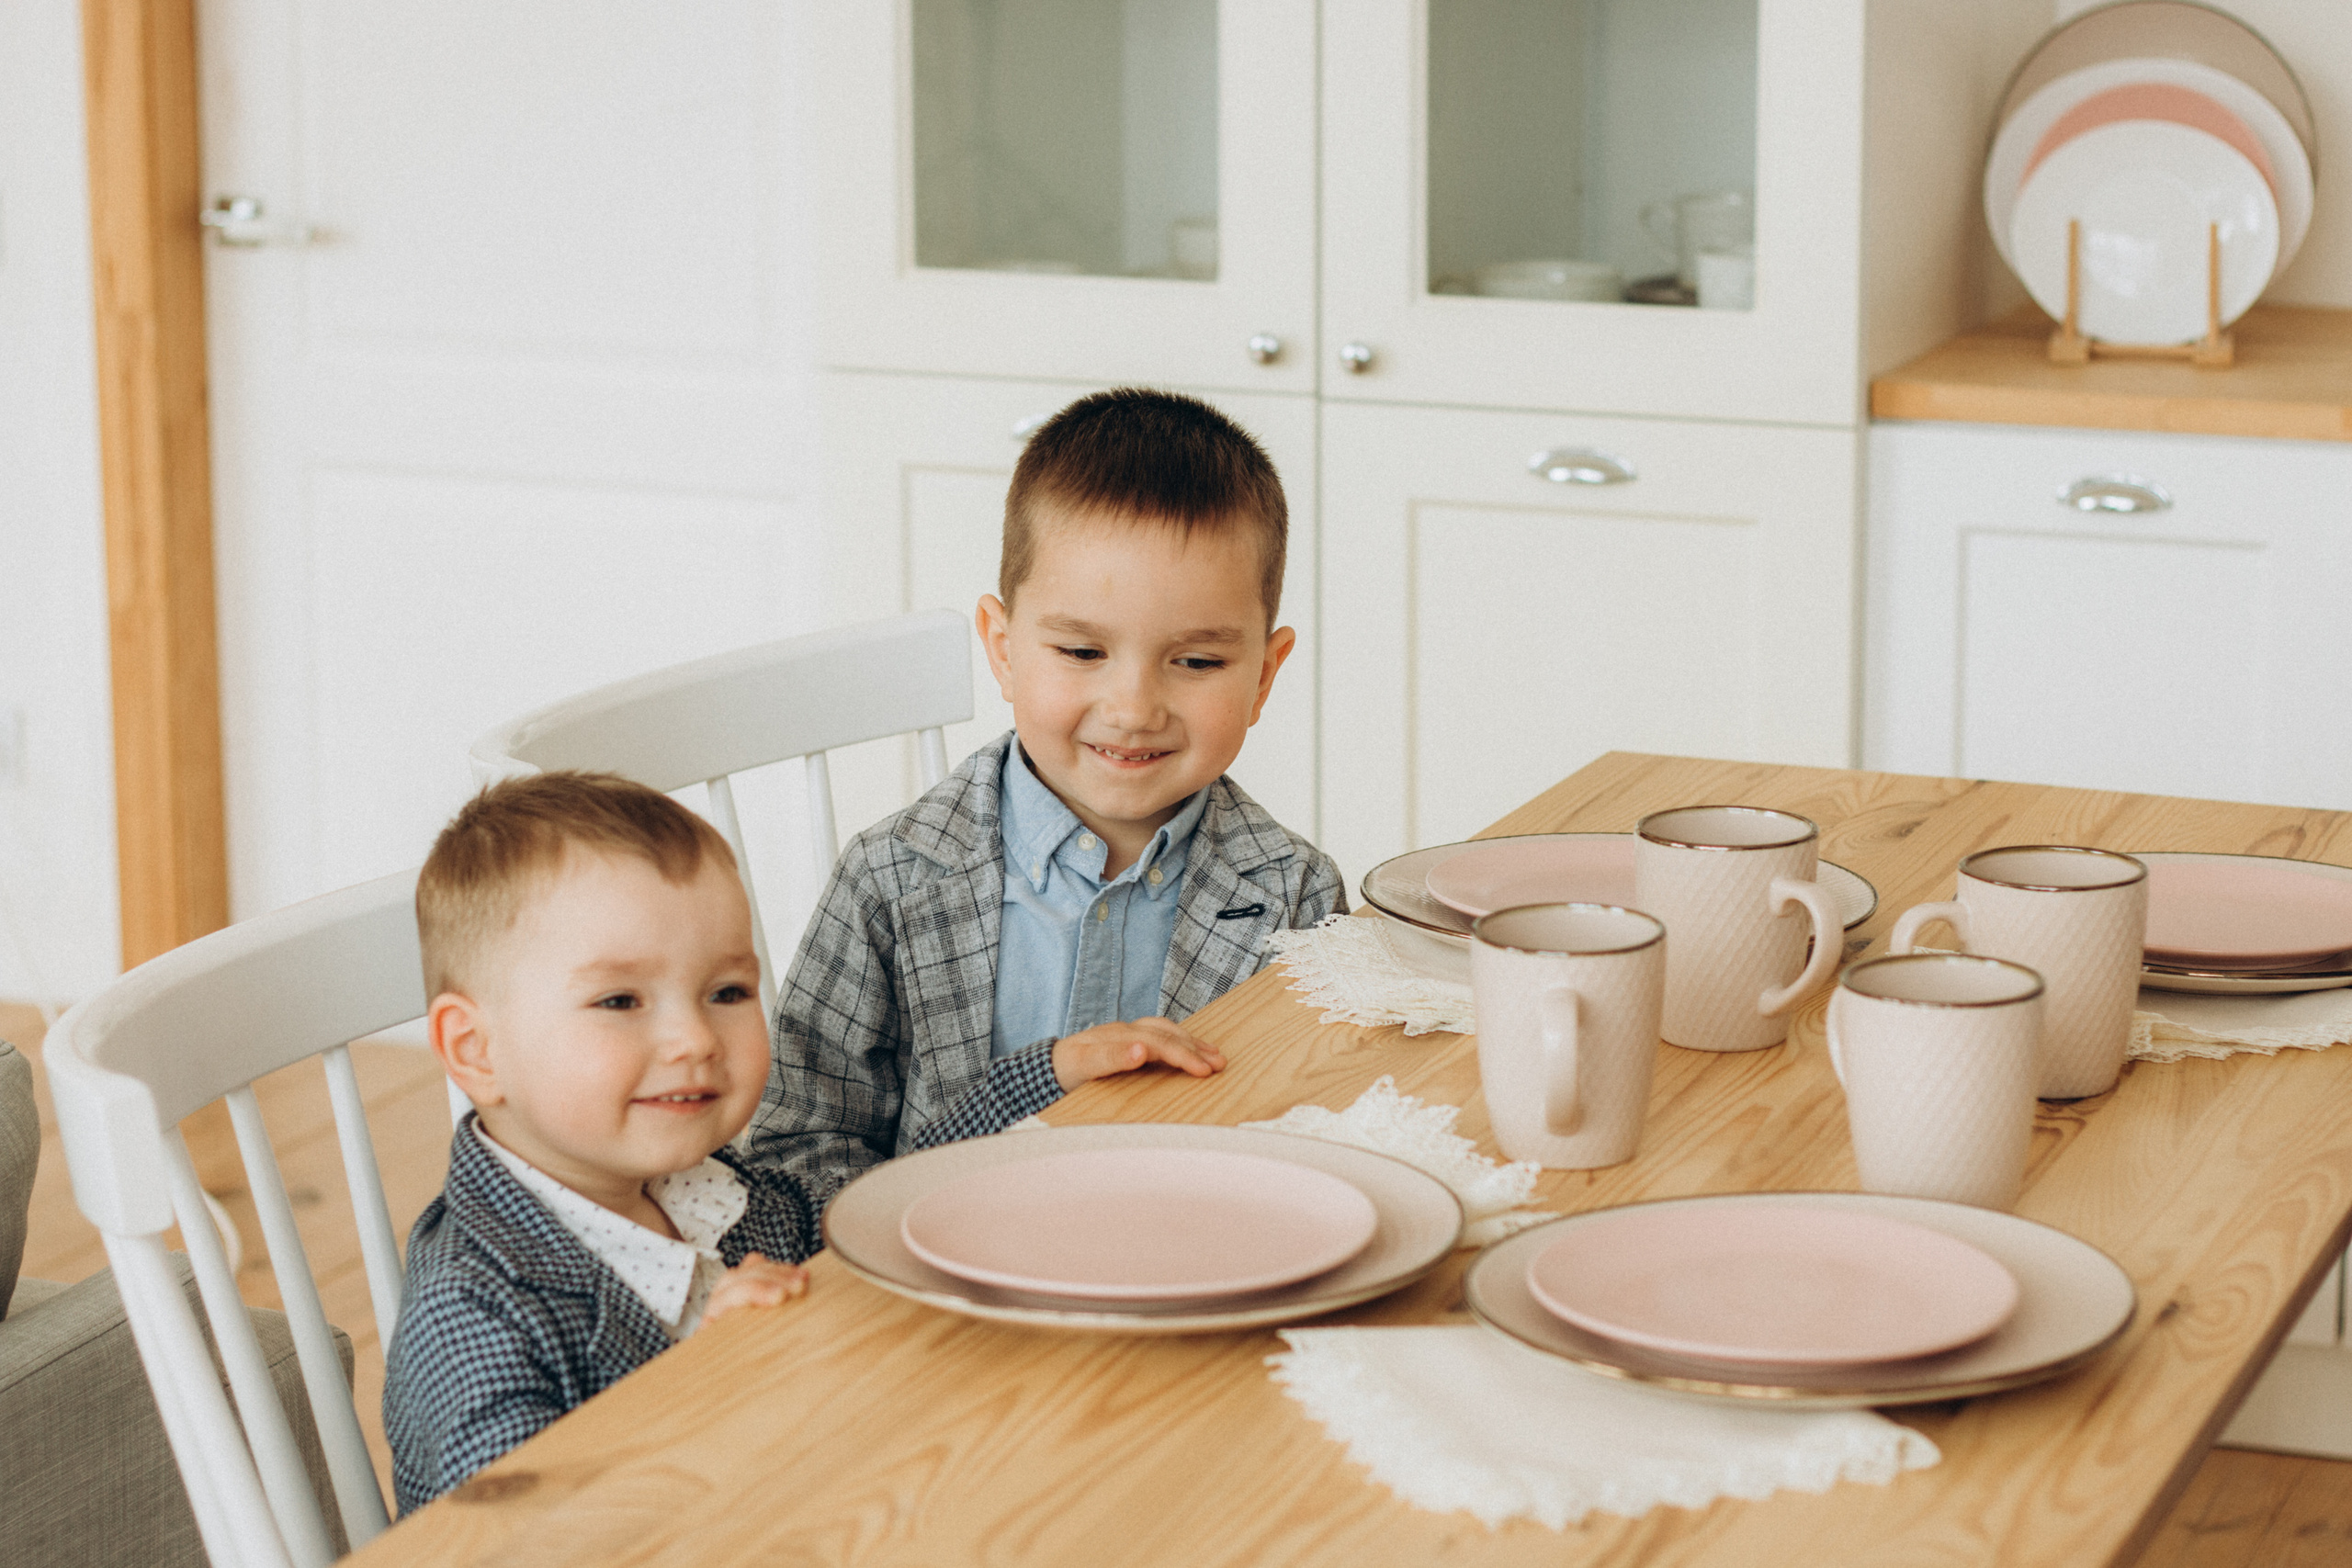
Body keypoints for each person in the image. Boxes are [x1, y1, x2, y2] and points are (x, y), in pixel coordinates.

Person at [747, 388, 1345, 1204]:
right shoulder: (891, 878)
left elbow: (1311, 1132)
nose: (1134, 707)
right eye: (1081, 650)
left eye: (1197, 662)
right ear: (1001, 648)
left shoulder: (1296, 893)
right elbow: (800, 1142)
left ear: (1265, 675)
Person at [384, 773, 819, 1513]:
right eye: (620, 1000)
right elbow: (535, 1540)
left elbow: (870, 1239)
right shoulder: (474, 1319)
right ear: (477, 1051)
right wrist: (714, 1382)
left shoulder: (717, 1190)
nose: (694, 1038)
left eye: (728, 992)